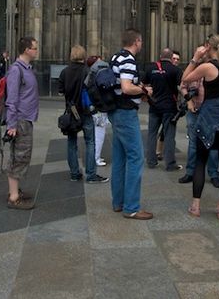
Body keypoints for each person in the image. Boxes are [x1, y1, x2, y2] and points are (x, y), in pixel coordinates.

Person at [182, 34, 219, 220]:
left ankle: (196, 206)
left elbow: (185, 79)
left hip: (209, 119)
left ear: (208, 46)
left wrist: (195, 58)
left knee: (200, 161)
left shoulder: (208, 67)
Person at [108, 29, 154, 219]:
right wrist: (144, 89)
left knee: (119, 158)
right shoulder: (128, 59)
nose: (141, 44)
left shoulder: (115, 57)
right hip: (125, 113)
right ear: (137, 41)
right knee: (136, 158)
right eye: (141, 41)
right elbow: (126, 88)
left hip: (116, 111)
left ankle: (118, 202)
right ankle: (132, 207)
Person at [59, 45, 108, 183]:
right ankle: (91, 174)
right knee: (90, 142)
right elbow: (93, 91)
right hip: (86, 111)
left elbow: (61, 91)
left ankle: (74, 173)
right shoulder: (88, 71)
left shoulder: (65, 72)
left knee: (71, 142)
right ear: (83, 55)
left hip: (71, 112)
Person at [5, 36, 41, 209]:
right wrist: (11, 125)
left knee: (22, 155)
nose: (36, 50)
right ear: (26, 50)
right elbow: (11, 99)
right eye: (34, 48)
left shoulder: (26, 68)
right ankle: (13, 197)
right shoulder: (16, 70)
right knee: (18, 157)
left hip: (26, 118)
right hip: (20, 120)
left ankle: (16, 190)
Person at [144, 47, 182, 172]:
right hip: (169, 107)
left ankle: (151, 161)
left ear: (160, 56)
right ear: (171, 57)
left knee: (152, 134)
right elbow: (181, 86)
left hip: (154, 106)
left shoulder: (150, 68)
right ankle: (170, 164)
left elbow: (144, 84)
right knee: (169, 135)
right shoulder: (175, 70)